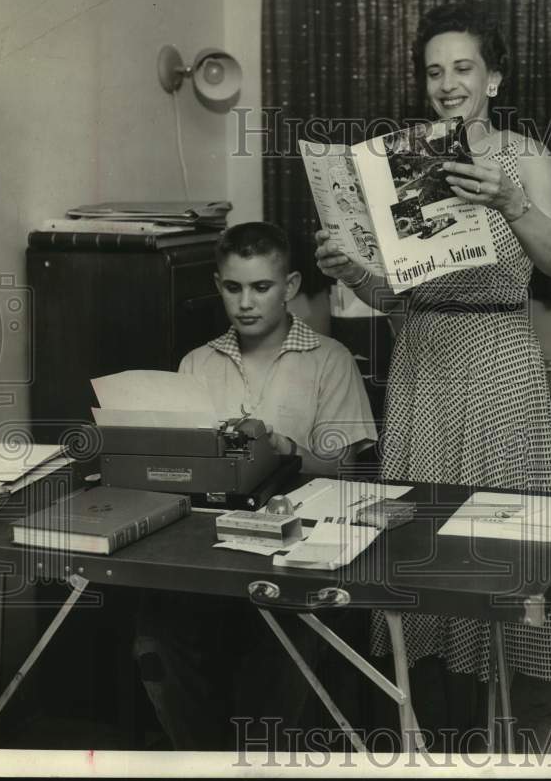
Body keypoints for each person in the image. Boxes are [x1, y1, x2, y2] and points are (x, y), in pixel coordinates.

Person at [314, 3, 551, 739]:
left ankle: (490, 725)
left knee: (495, 546)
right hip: (422, 359)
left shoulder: (523, 157)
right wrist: (349, 269)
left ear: (494, 76)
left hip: (499, 360)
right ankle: (420, 725)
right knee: (419, 541)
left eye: (463, 68)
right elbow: (390, 293)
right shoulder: (401, 158)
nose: (447, 84)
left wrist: (511, 199)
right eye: (434, 71)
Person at [135, 221, 377, 750]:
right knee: (158, 635)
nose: (245, 303)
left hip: (297, 549)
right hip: (213, 548)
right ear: (218, 284)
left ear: (289, 286)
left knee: (281, 639)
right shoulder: (196, 364)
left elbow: (347, 470)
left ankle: (259, 757)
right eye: (232, 287)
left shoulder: (329, 361)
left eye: (261, 287)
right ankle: (205, 757)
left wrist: (285, 448)